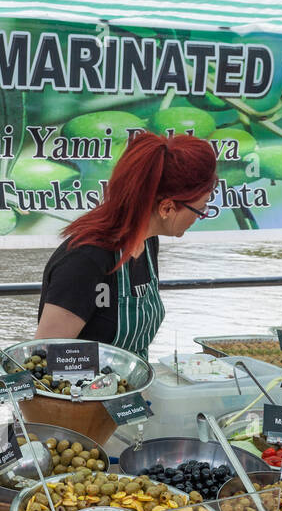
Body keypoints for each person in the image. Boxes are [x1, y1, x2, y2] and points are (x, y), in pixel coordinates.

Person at [36, 131, 217, 361]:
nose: (201, 215)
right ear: (167, 208)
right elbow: (44, 358)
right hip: (82, 394)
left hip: (129, 388)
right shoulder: (85, 261)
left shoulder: (148, 242)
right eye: (200, 209)